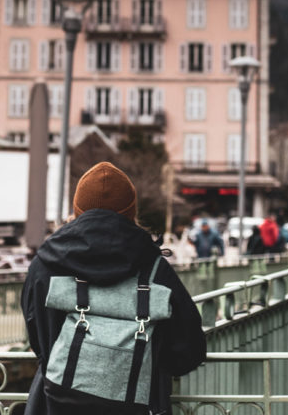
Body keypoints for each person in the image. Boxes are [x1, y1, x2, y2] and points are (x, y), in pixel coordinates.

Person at [21, 161, 206, 415]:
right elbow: (189, 350)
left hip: (58, 403)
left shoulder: (46, 263)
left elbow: (38, 337)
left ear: (76, 210)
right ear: (131, 213)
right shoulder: (154, 268)